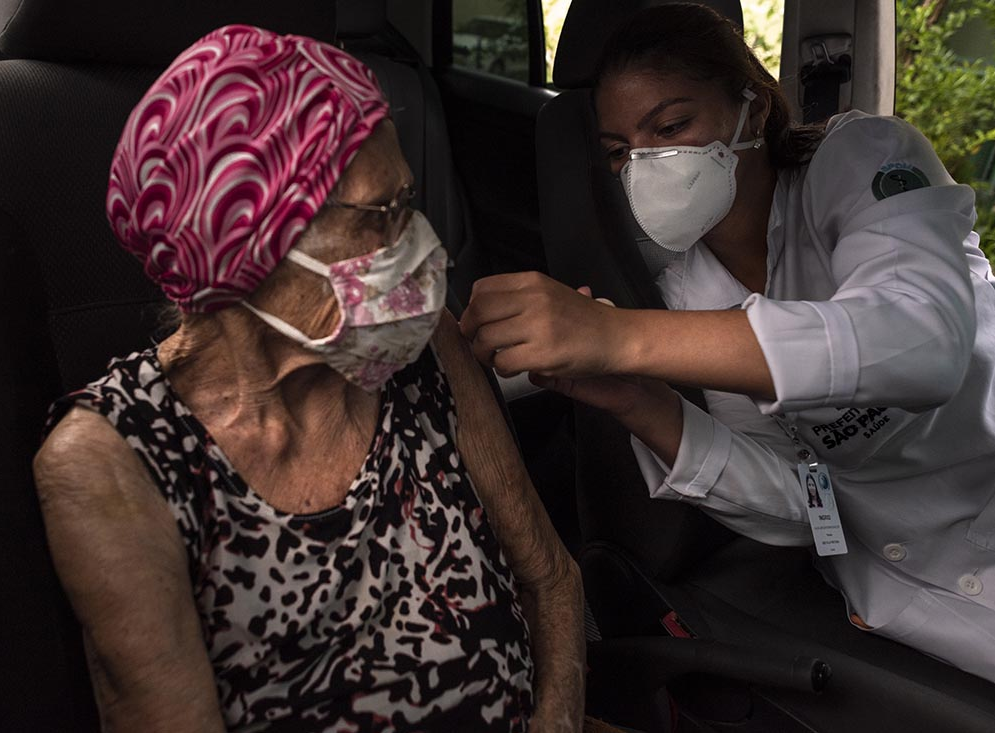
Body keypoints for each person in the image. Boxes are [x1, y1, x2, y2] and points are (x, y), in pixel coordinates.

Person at [33, 25, 585, 732]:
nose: (418, 244)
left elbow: (552, 581)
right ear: (246, 245)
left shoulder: (424, 349)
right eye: (379, 216)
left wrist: (557, 718)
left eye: (407, 204)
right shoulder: (108, 466)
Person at [459, 3, 995, 683]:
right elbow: (804, 498)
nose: (646, 164)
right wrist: (639, 401)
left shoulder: (860, 161)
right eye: (620, 151)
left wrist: (616, 336)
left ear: (756, 108)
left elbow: (920, 340)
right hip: (907, 597)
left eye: (672, 126)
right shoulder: (688, 296)